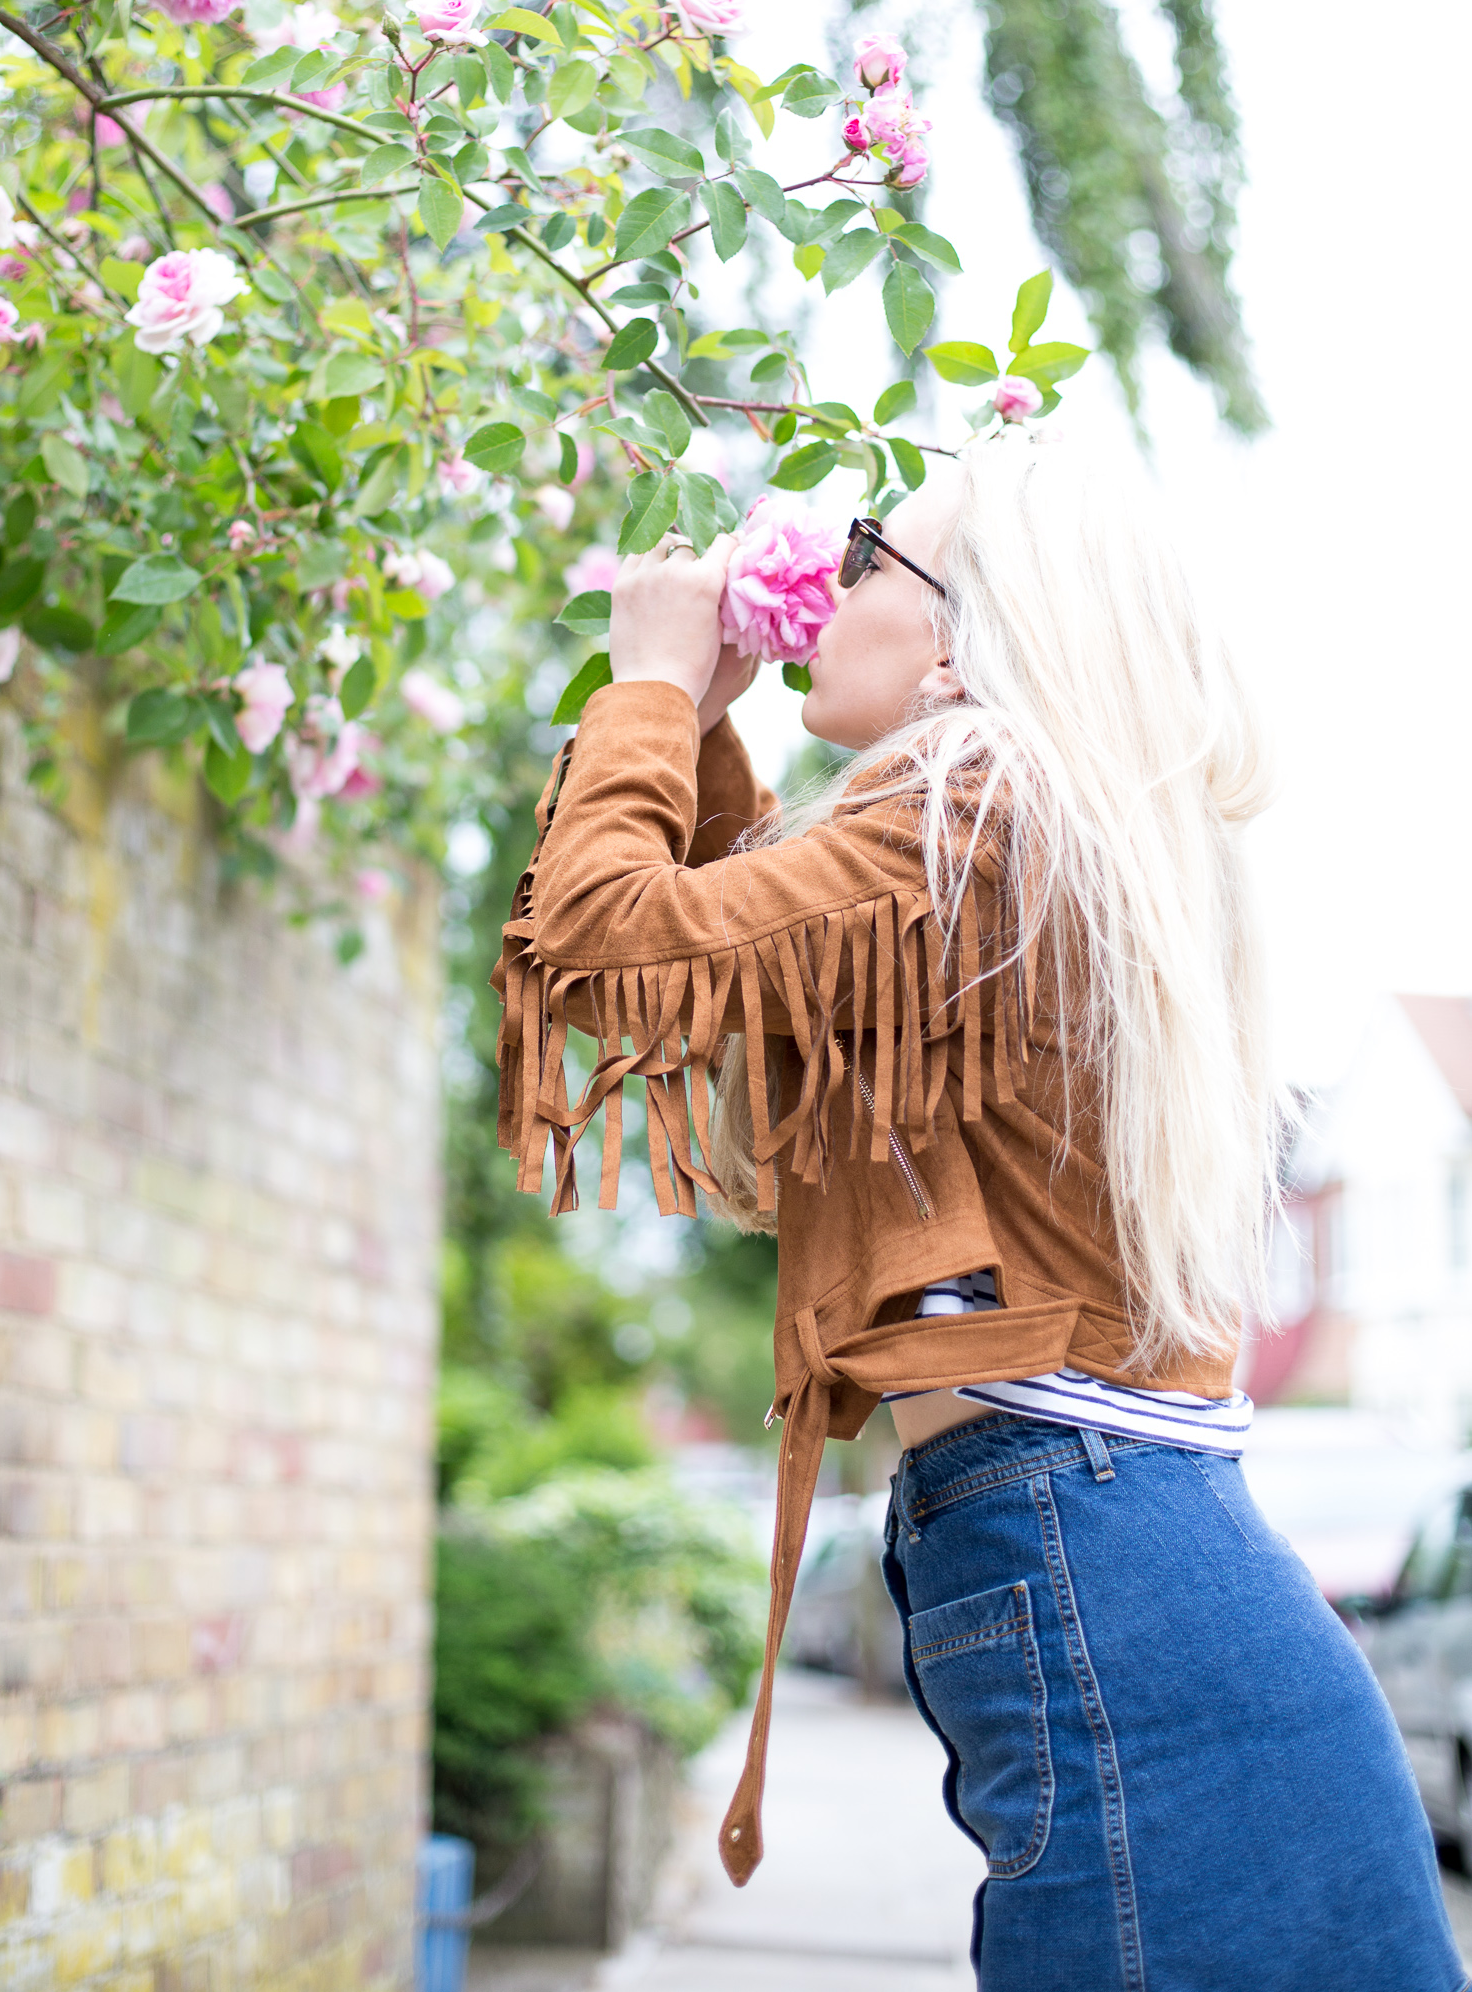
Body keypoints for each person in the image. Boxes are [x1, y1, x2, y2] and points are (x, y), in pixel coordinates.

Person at [492, 439, 1464, 1992]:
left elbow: (612, 948)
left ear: (963, 641)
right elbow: (750, 950)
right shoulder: (1006, 837)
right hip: (1142, 1571)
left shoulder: (979, 819)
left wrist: (653, 690)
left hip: (1118, 1570)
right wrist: (706, 730)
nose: (834, 574)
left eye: (871, 551)